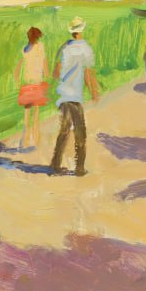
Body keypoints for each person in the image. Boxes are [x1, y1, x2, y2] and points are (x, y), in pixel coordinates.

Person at [50, 17, 100, 176]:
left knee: (64, 130)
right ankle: (79, 167)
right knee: (80, 132)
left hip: (64, 95)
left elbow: (55, 72)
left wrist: (64, 79)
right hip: (75, 96)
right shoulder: (85, 48)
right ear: (81, 30)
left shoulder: (64, 47)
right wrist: (93, 90)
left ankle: (55, 164)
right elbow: (88, 73)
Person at [13, 27, 48, 149]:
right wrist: (46, 74)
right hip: (36, 83)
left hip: (27, 84)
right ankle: (36, 138)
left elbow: (18, 68)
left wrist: (17, 80)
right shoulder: (40, 47)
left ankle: (25, 140)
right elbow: (45, 64)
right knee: (36, 112)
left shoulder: (24, 49)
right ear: (37, 37)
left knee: (27, 113)